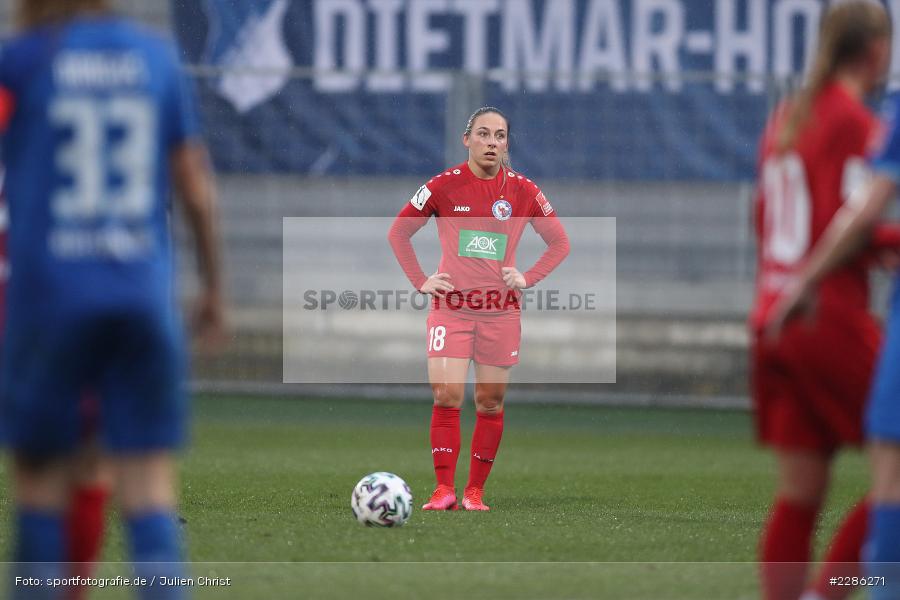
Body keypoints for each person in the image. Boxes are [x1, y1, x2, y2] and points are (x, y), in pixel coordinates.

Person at [0, 1, 225, 599]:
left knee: (41, 484)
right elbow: (196, 190)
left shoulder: (20, 61)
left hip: (49, 297)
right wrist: (213, 288)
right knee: (149, 486)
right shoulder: (155, 58)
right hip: (142, 297)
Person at [748, 3, 893, 599]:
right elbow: (851, 223)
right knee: (894, 476)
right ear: (877, 49)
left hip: (772, 317)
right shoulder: (853, 120)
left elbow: (769, 220)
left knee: (800, 495)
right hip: (825, 314)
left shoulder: (788, 116)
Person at [388, 107, 570, 512]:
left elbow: (560, 242)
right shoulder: (442, 186)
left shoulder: (523, 190)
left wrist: (528, 277)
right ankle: (443, 490)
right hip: (451, 309)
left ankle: (474, 493)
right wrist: (421, 280)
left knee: (489, 401)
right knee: (447, 393)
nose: (492, 142)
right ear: (466, 139)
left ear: (507, 143)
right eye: (484, 134)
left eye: (500, 136)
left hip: (499, 312)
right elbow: (399, 232)